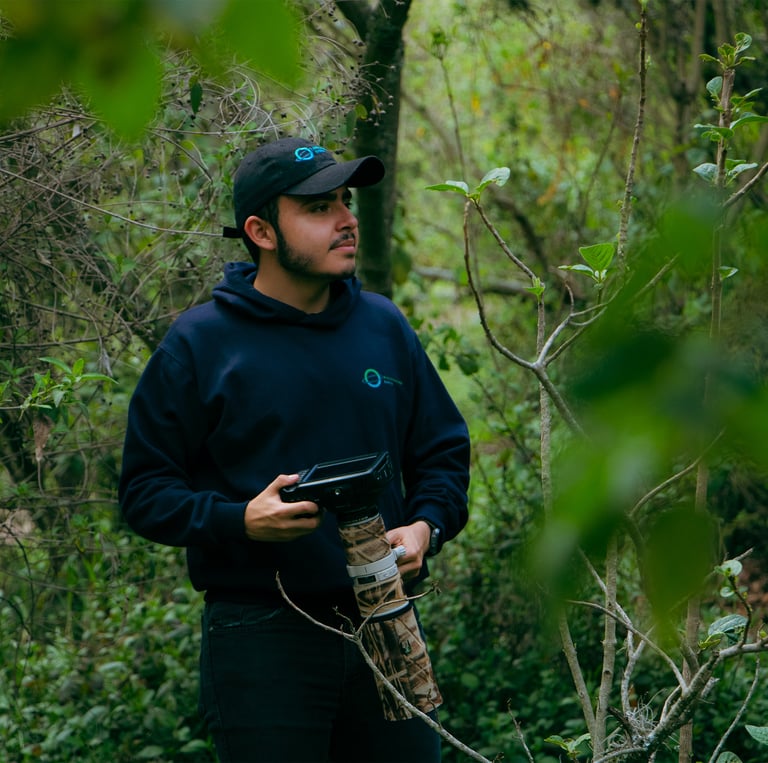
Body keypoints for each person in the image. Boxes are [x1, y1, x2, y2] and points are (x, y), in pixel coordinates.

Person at [119, 136, 471, 763]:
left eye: (344, 201)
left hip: (388, 620)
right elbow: (145, 494)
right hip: (261, 636)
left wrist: (425, 528)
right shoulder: (200, 345)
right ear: (259, 230)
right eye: (317, 208)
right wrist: (240, 520)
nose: (345, 219)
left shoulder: (384, 326)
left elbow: (443, 454)